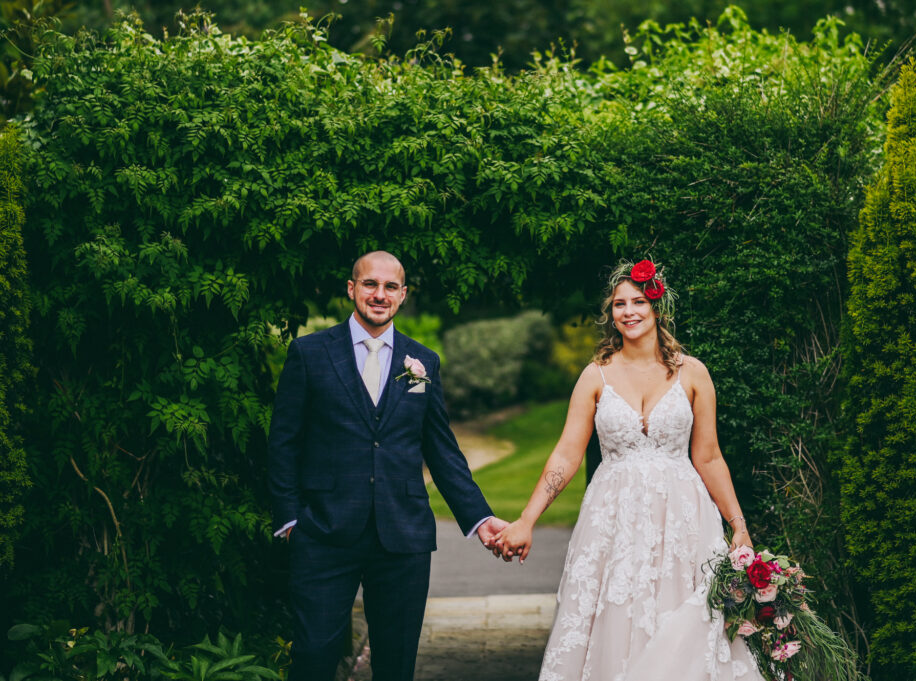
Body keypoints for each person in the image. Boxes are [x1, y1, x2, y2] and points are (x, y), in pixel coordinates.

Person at [494, 259, 762, 681]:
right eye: (619, 304)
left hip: (682, 523)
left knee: (685, 621)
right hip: (612, 521)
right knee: (615, 621)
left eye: (638, 301)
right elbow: (567, 453)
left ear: (657, 307)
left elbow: (708, 456)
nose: (628, 311)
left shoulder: (693, 374)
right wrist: (527, 519)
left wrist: (738, 525)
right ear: (611, 314)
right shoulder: (595, 376)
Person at [267, 250, 508, 681]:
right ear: (352, 289)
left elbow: (442, 450)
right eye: (370, 284)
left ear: (403, 295)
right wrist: (289, 518)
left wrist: (480, 517)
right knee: (313, 659)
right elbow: (284, 441)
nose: (380, 295)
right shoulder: (309, 353)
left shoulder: (423, 362)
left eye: (390, 287)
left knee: (396, 665)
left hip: (403, 538)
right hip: (324, 534)